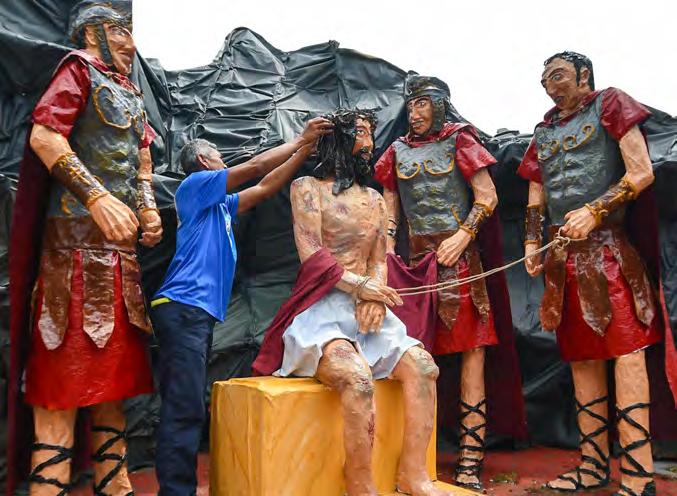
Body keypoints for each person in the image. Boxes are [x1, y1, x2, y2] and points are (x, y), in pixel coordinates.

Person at [254, 109, 449, 496]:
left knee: (425, 367)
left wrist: (375, 297)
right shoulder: (307, 188)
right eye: (360, 133)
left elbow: (380, 258)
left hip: (366, 307)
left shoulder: (375, 199)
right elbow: (313, 255)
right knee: (357, 380)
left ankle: (414, 475)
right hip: (323, 309)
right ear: (337, 138)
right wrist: (361, 288)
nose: (369, 144)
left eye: (370, 135)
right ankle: (360, 485)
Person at [8, 3, 162, 495]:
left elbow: (140, 161)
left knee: (112, 389)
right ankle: (47, 486)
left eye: (130, 32)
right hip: (70, 257)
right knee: (61, 385)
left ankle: (115, 485)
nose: (129, 43)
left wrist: (148, 207)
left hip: (120, 261)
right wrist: (97, 198)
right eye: (119, 31)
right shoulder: (77, 71)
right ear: (92, 32)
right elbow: (46, 136)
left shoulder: (130, 92)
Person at [150, 116, 333, 496]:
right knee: (185, 407)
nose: (224, 161)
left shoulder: (219, 206)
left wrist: (302, 153)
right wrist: (300, 138)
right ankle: (176, 492)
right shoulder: (195, 185)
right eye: (219, 157)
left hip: (195, 314)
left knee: (187, 404)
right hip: (183, 308)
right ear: (204, 161)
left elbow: (265, 187)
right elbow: (254, 168)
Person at [518, 51, 662, 496]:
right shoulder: (543, 132)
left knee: (627, 352)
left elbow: (641, 172)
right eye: (544, 79)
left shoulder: (610, 103)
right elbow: (537, 194)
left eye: (558, 74)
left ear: (584, 75)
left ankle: (639, 475)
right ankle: (593, 466)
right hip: (563, 259)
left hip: (609, 251)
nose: (549, 84)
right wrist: (530, 243)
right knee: (582, 358)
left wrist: (595, 210)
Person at [373, 75, 525, 490]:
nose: (415, 112)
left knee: (472, 353)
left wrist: (463, 236)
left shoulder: (460, 140)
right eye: (411, 104)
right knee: (414, 354)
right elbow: (390, 208)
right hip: (416, 266)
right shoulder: (396, 151)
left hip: (461, 262)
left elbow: (487, 196)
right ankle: (415, 457)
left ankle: (470, 459)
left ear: (440, 104)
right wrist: (387, 251)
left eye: (423, 103)